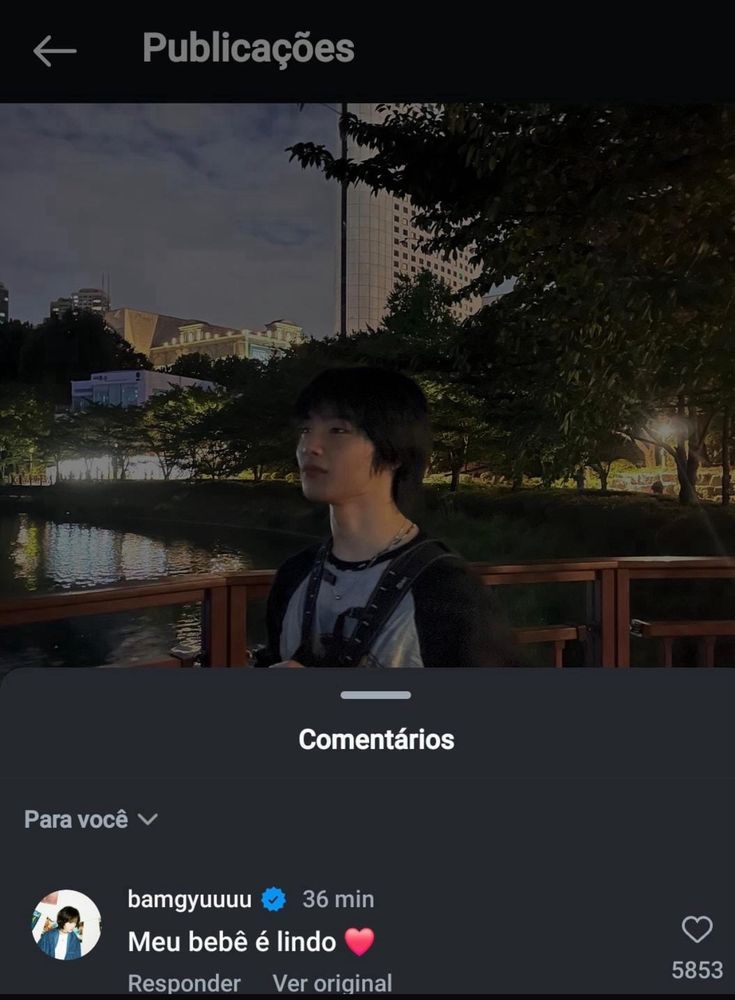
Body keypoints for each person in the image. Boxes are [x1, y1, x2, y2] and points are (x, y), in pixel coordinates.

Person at [252, 367, 521, 668]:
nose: (309, 447)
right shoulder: (294, 575)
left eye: (337, 430)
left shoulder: (444, 589)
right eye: (306, 430)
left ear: (394, 452)